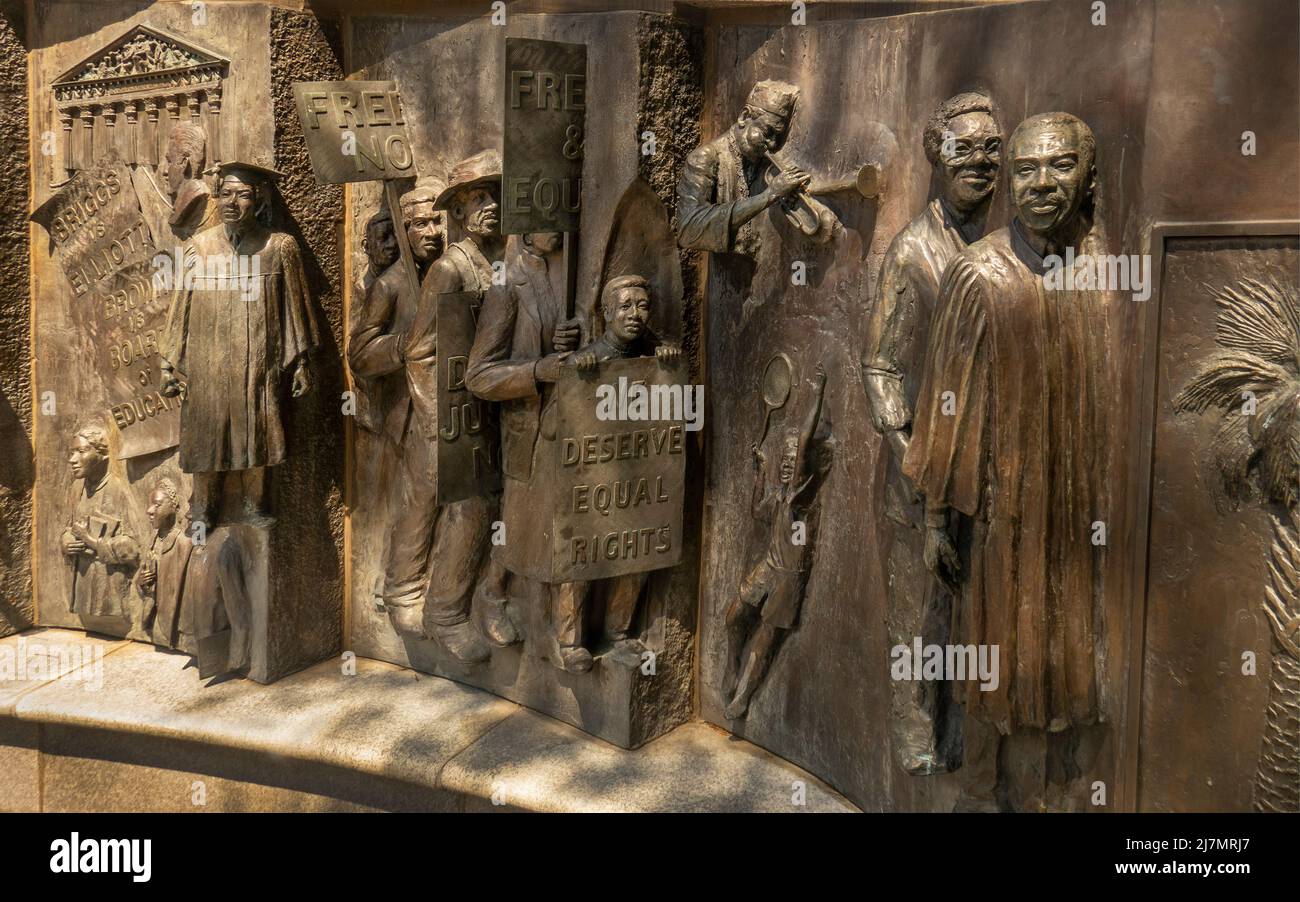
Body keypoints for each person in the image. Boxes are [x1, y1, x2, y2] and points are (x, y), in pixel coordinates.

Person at [903, 112, 1110, 811]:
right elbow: (946, 404)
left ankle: (1056, 784)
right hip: (1005, 510)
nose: (1041, 184)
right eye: (1025, 169)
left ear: (1087, 175)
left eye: (1059, 166)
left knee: (1069, 650)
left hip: (1078, 508)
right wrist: (936, 518)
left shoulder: (1106, 272)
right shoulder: (980, 275)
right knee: (1000, 647)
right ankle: (984, 789)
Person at [861, 91, 1002, 775]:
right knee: (920, 621)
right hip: (921, 477)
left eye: (991, 149)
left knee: (973, 615)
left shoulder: (1012, 250)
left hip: (992, 474)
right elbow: (880, 366)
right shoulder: (912, 252)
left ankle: (966, 743)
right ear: (935, 157)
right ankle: (915, 743)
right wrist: (913, 454)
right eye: (964, 148)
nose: (979, 161)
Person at [384, 151, 507, 663]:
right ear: (457, 210)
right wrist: (438, 422)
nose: (489, 207)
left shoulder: (498, 263)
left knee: (472, 507)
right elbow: (418, 349)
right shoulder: (449, 271)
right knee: (427, 504)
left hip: (478, 411)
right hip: (443, 413)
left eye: (495, 196)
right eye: (477, 199)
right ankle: (414, 599)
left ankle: (441, 606)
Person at [158, 160, 321, 527]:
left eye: (243, 195)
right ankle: (202, 505)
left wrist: (301, 362)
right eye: (226, 193)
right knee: (206, 432)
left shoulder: (278, 247)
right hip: (208, 360)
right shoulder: (199, 248)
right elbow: (180, 308)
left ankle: (255, 502)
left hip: (257, 359)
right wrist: (169, 362)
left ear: (258, 200)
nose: (232, 202)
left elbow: (296, 307)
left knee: (257, 429)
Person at [721, 365, 827, 719]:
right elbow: (756, 512)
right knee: (734, 614)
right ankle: (731, 665)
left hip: (789, 576)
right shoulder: (780, 493)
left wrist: (818, 392)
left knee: (765, 638)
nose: (787, 466)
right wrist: (759, 474)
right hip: (769, 565)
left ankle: (744, 697)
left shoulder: (801, 492)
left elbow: (805, 438)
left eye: (791, 462)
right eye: (784, 462)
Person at [676, 80, 810, 257]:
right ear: (744, 117)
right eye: (767, 132)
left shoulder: (765, 160)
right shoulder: (705, 157)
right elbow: (688, 230)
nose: (772, 144)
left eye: (777, 137)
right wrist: (770, 195)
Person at [61, 424, 140, 628]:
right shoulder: (76, 488)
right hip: (82, 583)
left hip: (108, 589)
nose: (72, 459)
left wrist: (92, 540)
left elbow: (132, 548)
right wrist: (66, 541)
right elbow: (68, 527)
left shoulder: (118, 490)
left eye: (81, 451)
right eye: (71, 452)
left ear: (102, 454)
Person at [137, 477, 193, 649]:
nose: (149, 510)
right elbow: (142, 577)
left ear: (174, 507)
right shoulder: (153, 539)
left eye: (157, 504)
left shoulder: (183, 543)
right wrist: (142, 582)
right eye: (150, 504)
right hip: (153, 619)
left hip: (173, 621)